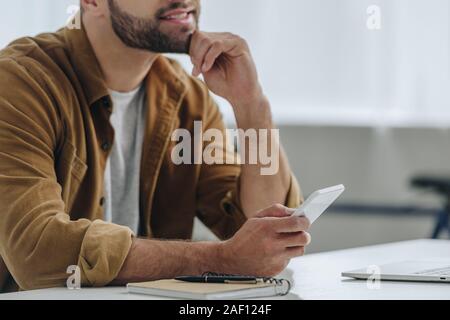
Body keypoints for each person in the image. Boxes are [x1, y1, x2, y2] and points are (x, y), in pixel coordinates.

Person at [0, 0, 310, 292]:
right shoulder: (19, 83)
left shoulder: (188, 97)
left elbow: (263, 229)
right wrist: (220, 260)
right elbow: (37, 250)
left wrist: (251, 104)